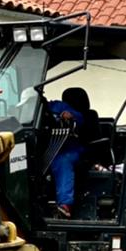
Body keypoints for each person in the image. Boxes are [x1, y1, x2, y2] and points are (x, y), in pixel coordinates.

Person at [44, 86, 93, 218]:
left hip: (73, 148)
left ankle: (64, 205)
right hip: (47, 150)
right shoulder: (38, 108)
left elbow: (79, 117)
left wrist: (70, 116)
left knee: (62, 161)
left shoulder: (59, 106)